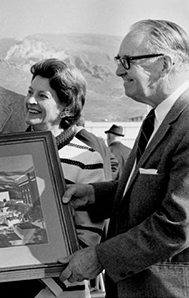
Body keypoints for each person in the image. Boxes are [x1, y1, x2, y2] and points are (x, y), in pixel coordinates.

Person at [59, 19, 189, 298]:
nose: (118, 70)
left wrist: (101, 257)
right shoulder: (157, 117)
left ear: (164, 64)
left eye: (128, 61)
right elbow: (144, 192)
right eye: (119, 60)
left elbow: (177, 225)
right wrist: (94, 195)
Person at [23, 58, 106, 298]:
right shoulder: (11, 152)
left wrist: (47, 289)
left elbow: (88, 239)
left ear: (66, 107)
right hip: (7, 287)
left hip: (59, 291)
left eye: (42, 96)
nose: (30, 101)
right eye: (29, 92)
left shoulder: (87, 158)